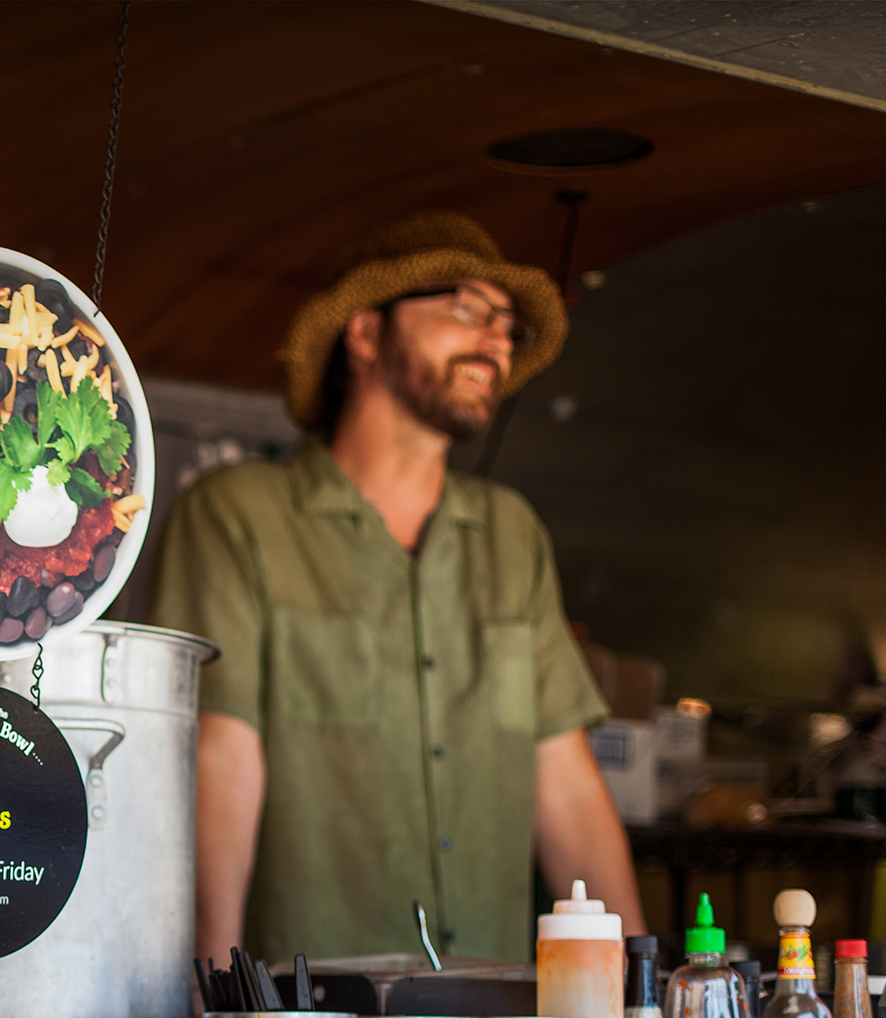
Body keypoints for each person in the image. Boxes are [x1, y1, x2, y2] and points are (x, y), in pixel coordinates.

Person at [151, 210, 645, 963]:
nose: (495, 340)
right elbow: (217, 759)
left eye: (507, 324)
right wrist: (205, 997)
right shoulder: (238, 514)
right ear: (365, 333)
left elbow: (567, 787)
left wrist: (641, 1005)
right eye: (463, 308)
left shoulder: (511, 534)